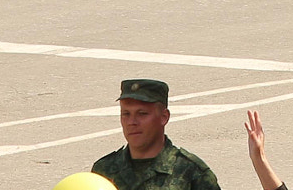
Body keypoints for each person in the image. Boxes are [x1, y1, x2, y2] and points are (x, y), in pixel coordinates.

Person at [92, 78, 221, 190]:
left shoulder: (191, 173)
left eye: (142, 114)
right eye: (126, 114)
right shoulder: (104, 171)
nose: (132, 122)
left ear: (164, 117)